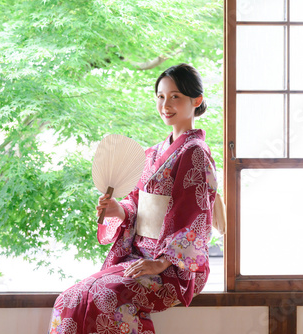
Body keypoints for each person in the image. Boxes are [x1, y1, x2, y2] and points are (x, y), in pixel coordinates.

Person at [48, 63, 217, 334]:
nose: (166, 104)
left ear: (196, 101)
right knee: (70, 298)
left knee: (105, 297)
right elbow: (137, 203)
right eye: (161, 97)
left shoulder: (195, 152)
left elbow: (195, 218)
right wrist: (118, 209)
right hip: (139, 257)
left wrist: (162, 262)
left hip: (175, 268)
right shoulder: (153, 153)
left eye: (175, 96)